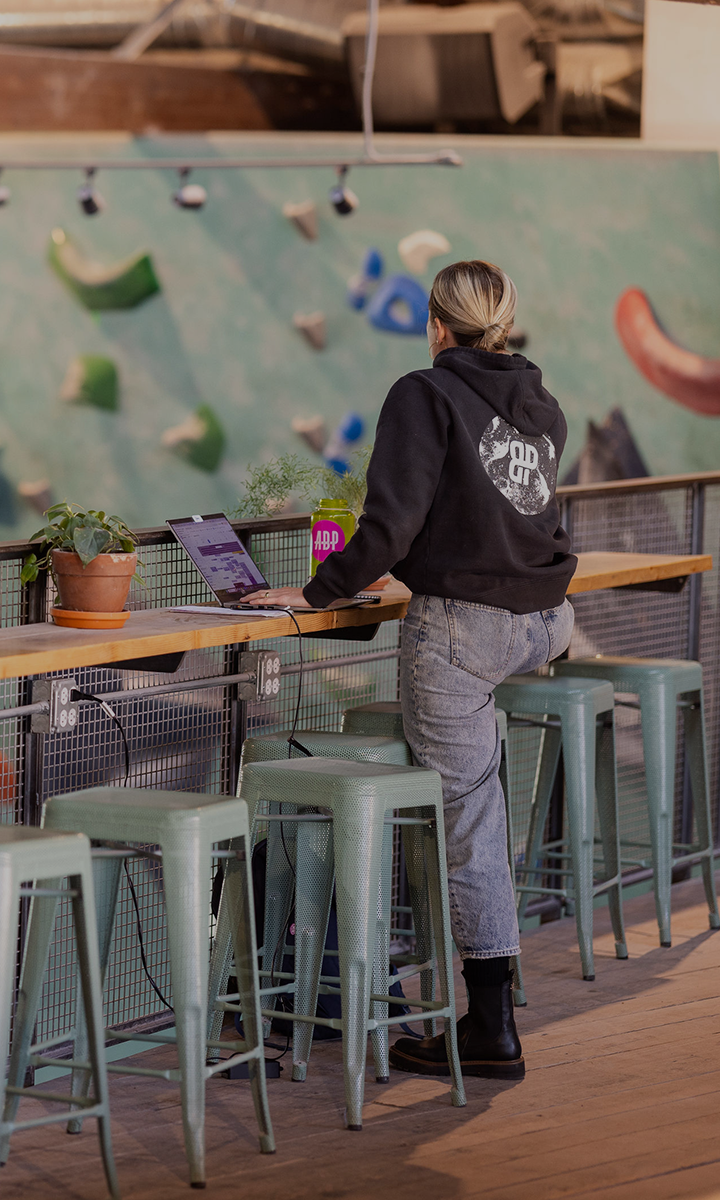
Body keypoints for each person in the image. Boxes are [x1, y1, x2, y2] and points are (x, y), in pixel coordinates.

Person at [244, 260, 576, 1079]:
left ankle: (489, 1027)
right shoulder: (539, 402)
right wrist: (428, 561)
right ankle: (418, 989)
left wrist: (322, 592)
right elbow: (497, 512)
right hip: (542, 622)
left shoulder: (423, 393)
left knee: (467, 822)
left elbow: (390, 519)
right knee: (477, 803)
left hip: (464, 634)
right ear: (503, 322)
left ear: (435, 325)